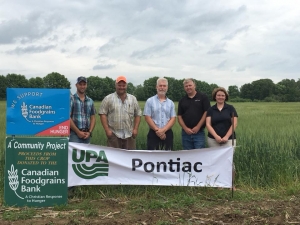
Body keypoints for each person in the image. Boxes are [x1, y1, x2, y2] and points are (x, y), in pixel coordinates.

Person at [99, 75, 141, 150]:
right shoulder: (108, 98)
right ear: (115, 85)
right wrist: (107, 130)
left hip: (129, 135)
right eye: (119, 85)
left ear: (126, 86)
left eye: (123, 85)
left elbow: (138, 114)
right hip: (114, 135)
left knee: (129, 159)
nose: (121, 87)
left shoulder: (133, 99)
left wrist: (135, 129)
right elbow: (102, 114)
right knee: (113, 159)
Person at [143, 77, 176, 150]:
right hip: (153, 132)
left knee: (167, 157)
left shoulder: (171, 103)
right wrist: (157, 130)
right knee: (152, 157)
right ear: (156, 87)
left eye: (164, 86)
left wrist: (163, 130)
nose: (162, 88)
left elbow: (173, 118)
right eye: (160, 85)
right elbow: (147, 117)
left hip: (167, 133)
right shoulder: (150, 101)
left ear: (167, 87)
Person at [177, 78, 210, 150]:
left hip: (199, 132)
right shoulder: (182, 100)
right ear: (184, 88)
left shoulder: (203, 97)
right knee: (187, 156)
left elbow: (206, 112)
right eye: (186, 86)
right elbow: (179, 116)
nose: (188, 87)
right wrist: (185, 128)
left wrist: (198, 126)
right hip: (186, 133)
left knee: (199, 155)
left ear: (194, 85)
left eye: (190, 85)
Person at [70, 76, 96, 144]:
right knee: (74, 154)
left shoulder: (90, 101)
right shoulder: (71, 99)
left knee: (85, 154)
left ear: (86, 85)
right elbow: (67, 117)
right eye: (80, 84)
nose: (82, 86)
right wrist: (78, 132)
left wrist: (89, 132)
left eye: (84, 84)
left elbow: (93, 118)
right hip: (74, 135)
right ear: (76, 85)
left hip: (86, 135)